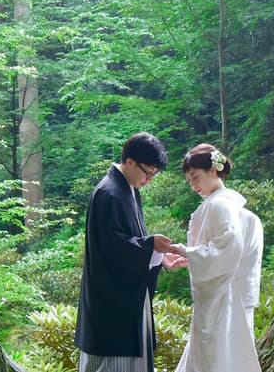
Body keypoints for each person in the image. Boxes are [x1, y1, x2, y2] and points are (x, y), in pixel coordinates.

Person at [75, 132, 182, 372]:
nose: (149, 179)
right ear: (130, 161)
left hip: (126, 296)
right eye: (148, 172)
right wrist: (150, 245)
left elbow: (130, 242)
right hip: (112, 301)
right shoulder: (110, 193)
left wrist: (160, 256)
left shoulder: (127, 189)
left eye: (154, 174)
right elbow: (113, 248)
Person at [169, 143, 263, 372]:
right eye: (190, 180)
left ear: (213, 170)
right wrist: (191, 258)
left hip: (224, 298)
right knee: (229, 358)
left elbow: (228, 245)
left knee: (216, 358)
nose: (193, 185)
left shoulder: (220, 204)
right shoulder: (228, 203)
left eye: (195, 177)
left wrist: (184, 250)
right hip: (232, 294)